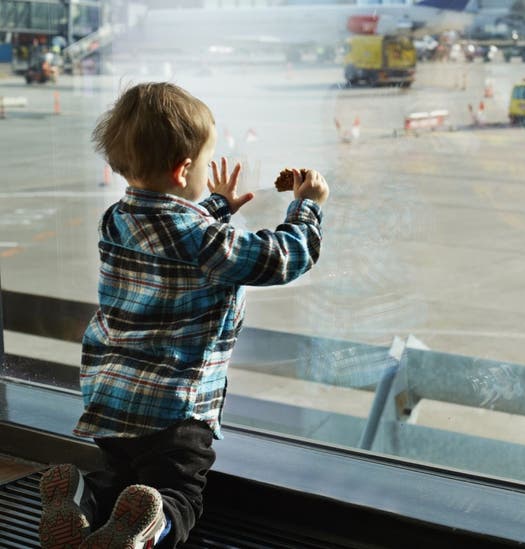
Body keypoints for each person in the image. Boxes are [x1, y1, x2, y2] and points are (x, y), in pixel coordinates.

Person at [36, 82, 329, 548]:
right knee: (178, 495)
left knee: (124, 479)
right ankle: (155, 528)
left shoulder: (115, 218)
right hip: (175, 409)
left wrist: (215, 207)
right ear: (184, 169)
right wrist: (307, 206)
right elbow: (281, 258)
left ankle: (84, 497)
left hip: (110, 394)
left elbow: (170, 233)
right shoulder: (204, 241)